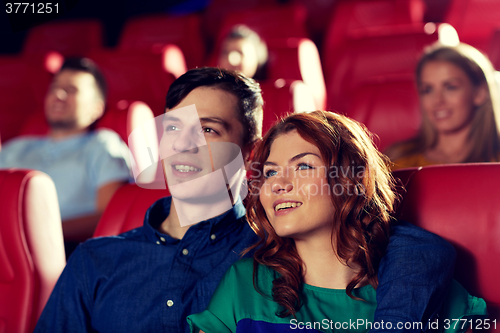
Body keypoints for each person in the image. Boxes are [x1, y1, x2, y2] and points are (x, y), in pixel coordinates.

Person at [36, 68, 454, 333]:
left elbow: (409, 246)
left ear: (251, 152)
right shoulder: (96, 258)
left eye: (210, 130)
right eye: (175, 130)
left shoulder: (278, 243)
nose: (186, 146)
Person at [187, 111, 487, 332]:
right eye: (269, 172)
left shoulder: (418, 286)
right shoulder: (244, 282)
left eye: (303, 165)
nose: (278, 183)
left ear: (350, 179)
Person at [0, 57, 131, 254]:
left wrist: (32, 234)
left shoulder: (102, 144)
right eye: (54, 88)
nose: (58, 94)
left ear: (97, 108)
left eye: (71, 90)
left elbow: (110, 216)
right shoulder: (18, 146)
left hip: (65, 252)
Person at [386, 42, 500, 170]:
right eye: (427, 90)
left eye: (450, 87)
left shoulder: (496, 160)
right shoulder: (397, 160)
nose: (437, 100)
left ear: (479, 93)